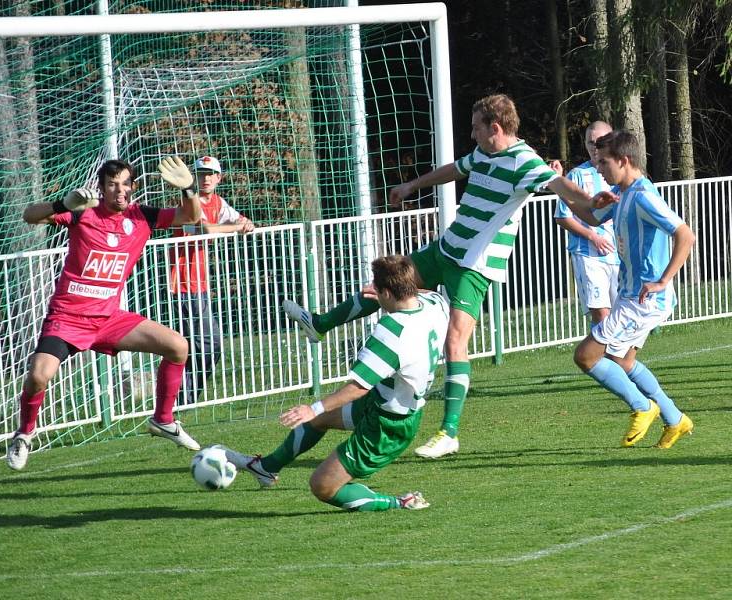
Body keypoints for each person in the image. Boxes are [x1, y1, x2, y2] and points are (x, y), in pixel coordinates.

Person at [282, 94, 614, 458]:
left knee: (455, 343)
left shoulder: (523, 160)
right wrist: (412, 186)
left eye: (475, 128)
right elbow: (456, 169)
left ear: (495, 128)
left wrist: (592, 204)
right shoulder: (485, 153)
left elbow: (560, 186)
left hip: (474, 265)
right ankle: (321, 324)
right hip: (446, 248)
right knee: (387, 283)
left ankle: (448, 432)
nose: (471, 134)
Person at [6, 156, 204, 471]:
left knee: (178, 346)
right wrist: (62, 203)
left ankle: (163, 420)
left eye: (125, 183)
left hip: (109, 319)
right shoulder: (82, 213)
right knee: (38, 377)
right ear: (101, 188)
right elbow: (29, 215)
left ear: (133, 187)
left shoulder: (142, 217)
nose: (119, 190)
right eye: (112, 184)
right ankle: (24, 433)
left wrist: (190, 188)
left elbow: (191, 217)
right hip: (68, 319)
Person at [226, 255, 449, 511]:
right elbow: (418, 292)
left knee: (322, 485)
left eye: (378, 290)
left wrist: (313, 407)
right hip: (382, 401)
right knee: (317, 421)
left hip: (388, 427)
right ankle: (266, 468)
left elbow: (358, 387)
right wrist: (390, 294)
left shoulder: (393, 331)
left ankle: (401, 502)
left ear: (386, 292)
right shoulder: (434, 304)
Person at [573, 130, 695, 449]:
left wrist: (664, 279)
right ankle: (675, 419)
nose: (599, 169)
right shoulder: (621, 192)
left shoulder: (642, 196)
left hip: (643, 300)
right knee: (623, 361)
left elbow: (685, 235)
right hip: (633, 296)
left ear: (624, 161)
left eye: (604, 163)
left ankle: (643, 407)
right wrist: (559, 185)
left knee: (586, 356)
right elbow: (589, 216)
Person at [168, 155, 255, 400]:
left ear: (219, 178)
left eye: (210, 174)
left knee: (203, 346)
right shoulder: (189, 203)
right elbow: (205, 229)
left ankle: (185, 397)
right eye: (201, 174)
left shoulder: (218, 202)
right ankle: (183, 397)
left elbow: (240, 220)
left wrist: (245, 223)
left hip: (200, 284)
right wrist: (238, 227)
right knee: (205, 344)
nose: (205, 178)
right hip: (182, 284)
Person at [552, 121, 620, 324]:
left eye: (599, 142)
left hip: (617, 255)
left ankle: (617, 356)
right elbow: (562, 216)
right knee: (601, 315)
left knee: (620, 316)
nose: (594, 147)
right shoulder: (577, 175)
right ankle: (601, 357)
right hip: (588, 255)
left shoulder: (618, 173)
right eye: (590, 142)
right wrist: (592, 236)